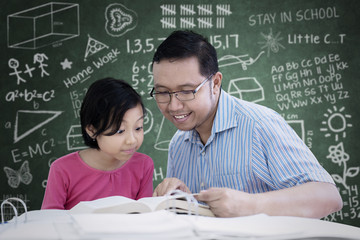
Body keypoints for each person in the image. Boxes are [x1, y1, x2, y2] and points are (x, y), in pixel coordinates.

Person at [150, 30, 343, 218]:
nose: (174, 106)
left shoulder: (260, 125)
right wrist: (180, 200)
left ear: (215, 83)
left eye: (186, 91)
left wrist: (250, 205)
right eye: (163, 92)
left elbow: (328, 197)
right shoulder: (178, 143)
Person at [41, 78, 154, 210]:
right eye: (120, 130)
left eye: (138, 128)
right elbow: (49, 220)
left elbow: (145, 217)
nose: (132, 140)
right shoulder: (62, 170)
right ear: (92, 130)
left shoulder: (143, 165)